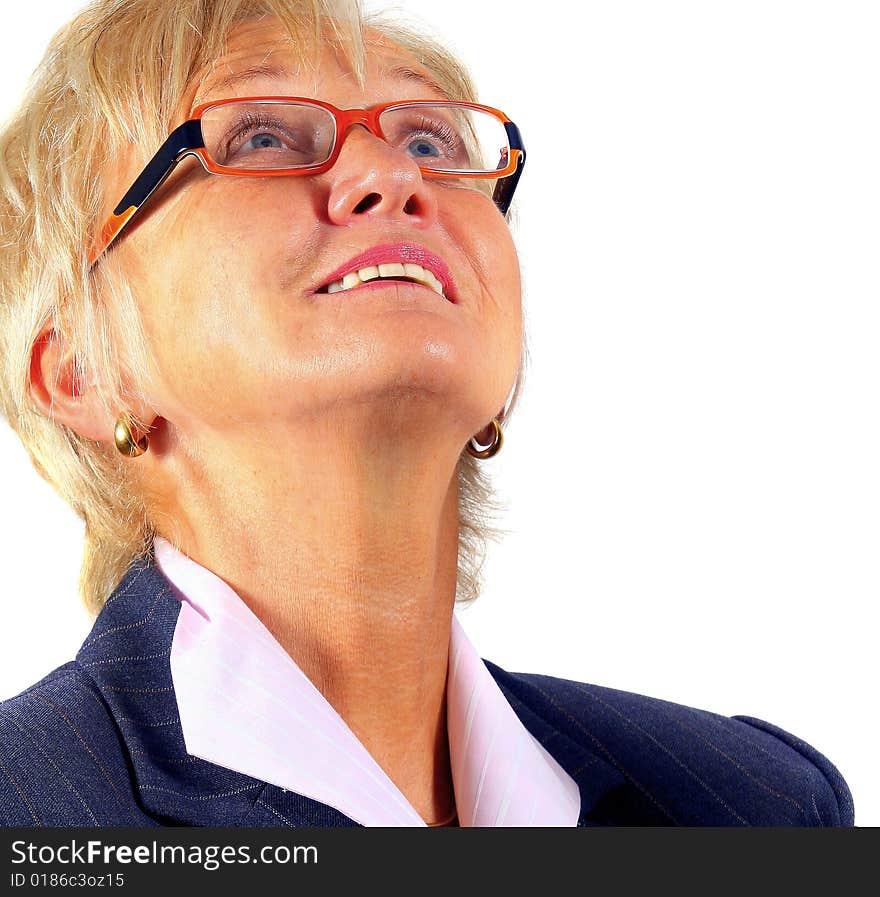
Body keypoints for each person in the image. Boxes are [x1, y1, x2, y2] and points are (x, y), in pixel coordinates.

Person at [0, 0, 854, 827]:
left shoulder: (758, 808)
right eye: (259, 136)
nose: (393, 174)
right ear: (81, 367)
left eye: (428, 140)